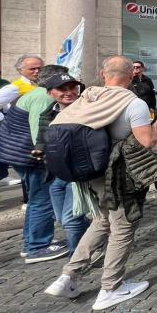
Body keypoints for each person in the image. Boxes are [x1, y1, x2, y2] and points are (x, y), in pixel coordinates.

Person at [44, 56, 157, 310]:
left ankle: (68, 275)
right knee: (123, 226)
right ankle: (111, 287)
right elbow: (146, 142)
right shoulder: (134, 103)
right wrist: (155, 129)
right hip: (120, 174)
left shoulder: (89, 96)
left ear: (102, 73)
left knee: (102, 220)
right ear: (132, 76)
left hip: (93, 172)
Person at [0, 63, 71, 262]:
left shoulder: (39, 93)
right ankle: (38, 247)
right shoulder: (44, 97)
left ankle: (31, 243)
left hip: (18, 153)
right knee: (43, 200)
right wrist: (46, 159)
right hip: (28, 156)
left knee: (36, 199)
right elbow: (39, 132)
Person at [37, 72, 91, 254]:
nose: (68, 92)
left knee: (70, 218)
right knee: (61, 218)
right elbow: (42, 137)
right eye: (62, 89)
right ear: (50, 93)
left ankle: (77, 257)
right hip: (55, 174)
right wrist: (39, 149)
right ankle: (94, 237)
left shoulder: (87, 109)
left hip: (77, 173)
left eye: (72, 88)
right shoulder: (48, 113)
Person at [0, 54, 44, 189]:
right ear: (21, 70)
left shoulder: (40, 85)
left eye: (40, 68)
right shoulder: (14, 87)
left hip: (36, 134)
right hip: (22, 137)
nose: (37, 71)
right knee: (30, 174)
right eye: (32, 69)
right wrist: (7, 122)